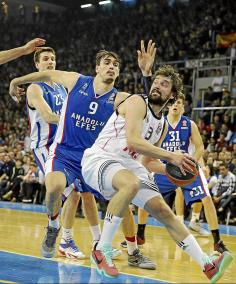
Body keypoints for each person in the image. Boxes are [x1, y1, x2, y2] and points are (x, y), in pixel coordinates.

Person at [9, 41, 157, 269]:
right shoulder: (75, 81)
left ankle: (132, 250)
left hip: (93, 157)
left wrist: (146, 73)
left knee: (122, 196)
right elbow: (47, 75)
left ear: (118, 72)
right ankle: (54, 226)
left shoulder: (119, 97)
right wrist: (16, 81)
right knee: (54, 187)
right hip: (63, 151)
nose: (111, 66)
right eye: (107, 63)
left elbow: (148, 107)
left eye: (116, 64)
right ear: (96, 68)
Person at [81, 64, 232, 280]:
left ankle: (207, 264)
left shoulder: (162, 126)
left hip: (129, 165)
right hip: (101, 157)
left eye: (164, 84)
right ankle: (101, 250)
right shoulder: (136, 101)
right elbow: (133, 141)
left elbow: (148, 162)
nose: (157, 86)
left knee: (164, 211)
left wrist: (176, 167)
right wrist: (172, 156)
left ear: (171, 96)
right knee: (130, 183)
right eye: (156, 82)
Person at [141, 95, 230, 253]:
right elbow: (151, 149)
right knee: (145, 196)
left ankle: (217, 242)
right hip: (165, 168)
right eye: (173, 102)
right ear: (168, 105)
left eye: (179, 103)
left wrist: (192, 162)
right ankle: (139, 235)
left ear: (183, 107)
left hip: (187, 169)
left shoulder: (189, 124)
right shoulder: (160, 124)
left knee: (207, 198)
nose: (176, 105)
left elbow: (200, 147)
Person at [24, 46, 84, 258]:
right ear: (37, 65)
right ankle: (53, 226)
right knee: (57, 190)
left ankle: (67, 240)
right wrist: (74, 124)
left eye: (53, 59)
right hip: (44, 146)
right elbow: (49, 116)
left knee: (78, 192)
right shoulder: (34, 88)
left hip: (63, 144)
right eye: (46, 59)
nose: (50, 62)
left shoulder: (61, 87)